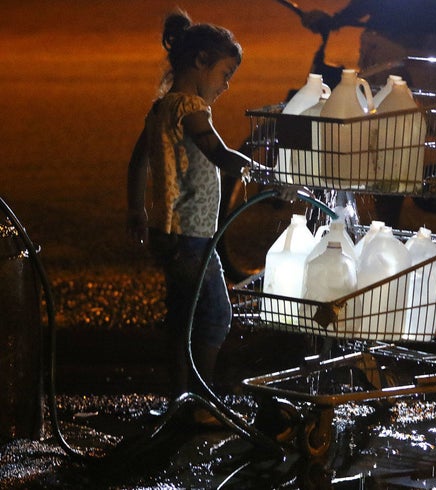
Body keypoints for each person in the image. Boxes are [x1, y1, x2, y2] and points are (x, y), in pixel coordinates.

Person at [301, 0, 436, 282]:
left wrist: (337, 19)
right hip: (435, 45)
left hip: (400, 45)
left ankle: (380, 262)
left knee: (389, 149)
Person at [126, 9, 251, 411]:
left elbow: (137, 162)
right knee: (215, 315)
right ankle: (201, 400)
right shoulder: (191, 108)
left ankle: (178, 397)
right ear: (200, 62)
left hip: (168, 234)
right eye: (225, 73)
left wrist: (137, 211)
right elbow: (216, 150)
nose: (227, 85)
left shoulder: (160, 108)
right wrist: (255, 168)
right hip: (192, 239)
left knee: (182, 317)